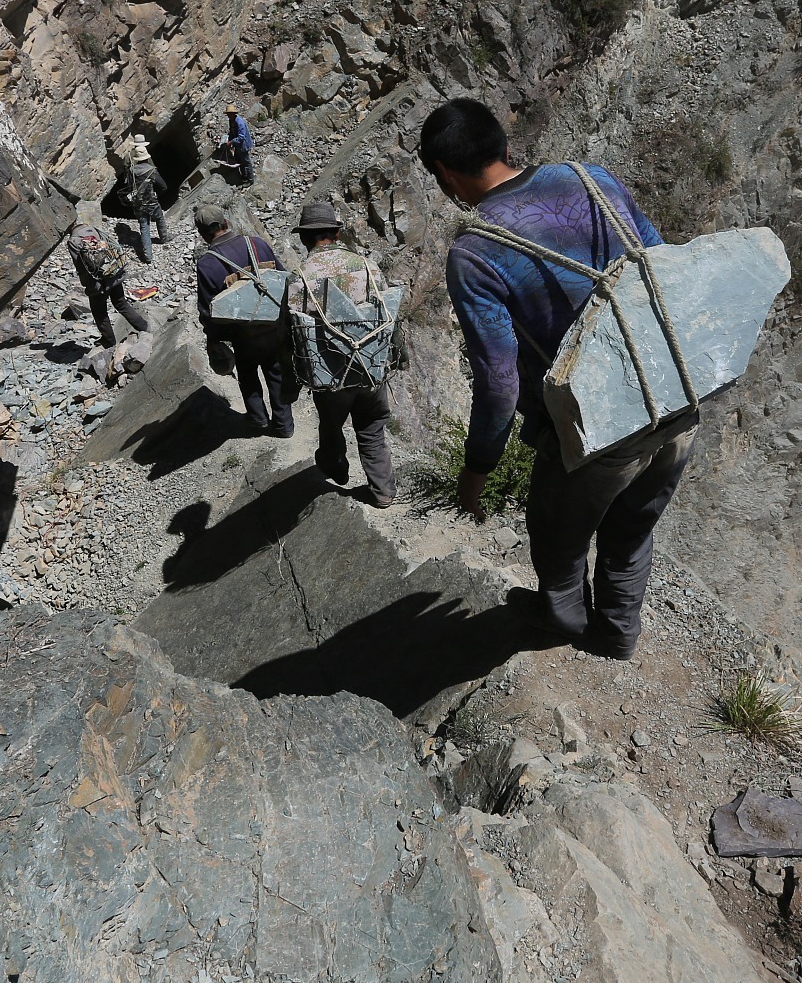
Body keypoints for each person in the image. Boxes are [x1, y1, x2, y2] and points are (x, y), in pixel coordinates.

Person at [420, 97, 694, 660]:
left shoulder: (475, 255)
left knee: (556, 533)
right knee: (633, 525)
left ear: (446, 173)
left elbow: (498, 383)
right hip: (675, 392)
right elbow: (661, 261)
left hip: (599, 431)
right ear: (503, 142)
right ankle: (617, 633)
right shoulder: (589, 179)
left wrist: (475, 473)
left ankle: (564, 620)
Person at [291, 200, 395, 507]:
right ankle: (383, 491)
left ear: (304, 238)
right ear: (336, 234)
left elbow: (296, 329)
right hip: (370, 366)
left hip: (330, 372)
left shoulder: (300, 276)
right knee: (372, 425)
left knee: (331, 423)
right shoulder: (366, 265)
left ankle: (335, 466)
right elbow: (385, 309)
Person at [194, 203, 294, 436]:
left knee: (248, 375)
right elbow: (282, 278)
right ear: (226, 223)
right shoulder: (256, 244)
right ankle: (284, 426)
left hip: (242, 333)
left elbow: (208, 309)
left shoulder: (207, 263)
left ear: (202, 233)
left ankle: (258, 420)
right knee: (276, 372)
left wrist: (214, 339)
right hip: (274, 324)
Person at [67, 216, 150, 349]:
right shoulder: (93, 229)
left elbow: (81, 266)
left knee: (99, 312)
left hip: (97, 282)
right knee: (121, 303)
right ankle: (144, 327)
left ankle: (109, 341)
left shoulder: (73, 240)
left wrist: (88, 285)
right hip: (113, 273)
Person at [120, 137, 168, 263]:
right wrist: (158, 195)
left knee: (144, 227)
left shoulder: (131, 170)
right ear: (147, 157)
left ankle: (148, 256)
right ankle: (163, 238)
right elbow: (163, 186)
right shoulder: (151, 170)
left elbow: (128, 186)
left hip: (138, 203)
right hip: (151, 200)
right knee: (159, 218)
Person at [216, 103, 253, 181]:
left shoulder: (240, 123)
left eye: (230, 114)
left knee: (246, 162)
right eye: (228, 114)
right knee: (239, 160)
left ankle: (250, 179)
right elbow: (232, 132)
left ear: (233, 113)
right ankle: (244, 176)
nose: (229, 115)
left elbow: (241, 137)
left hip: (243, 145)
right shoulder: (231, 120)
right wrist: (230, 140)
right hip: (238, 145)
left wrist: (231, 142)